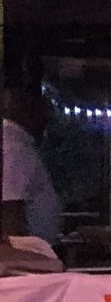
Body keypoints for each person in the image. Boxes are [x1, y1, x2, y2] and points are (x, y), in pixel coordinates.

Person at [0, 88, 59, 250]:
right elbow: (10, 210)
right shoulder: (14, 147)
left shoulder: (16, 143)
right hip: (27, 255)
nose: (47, 118)